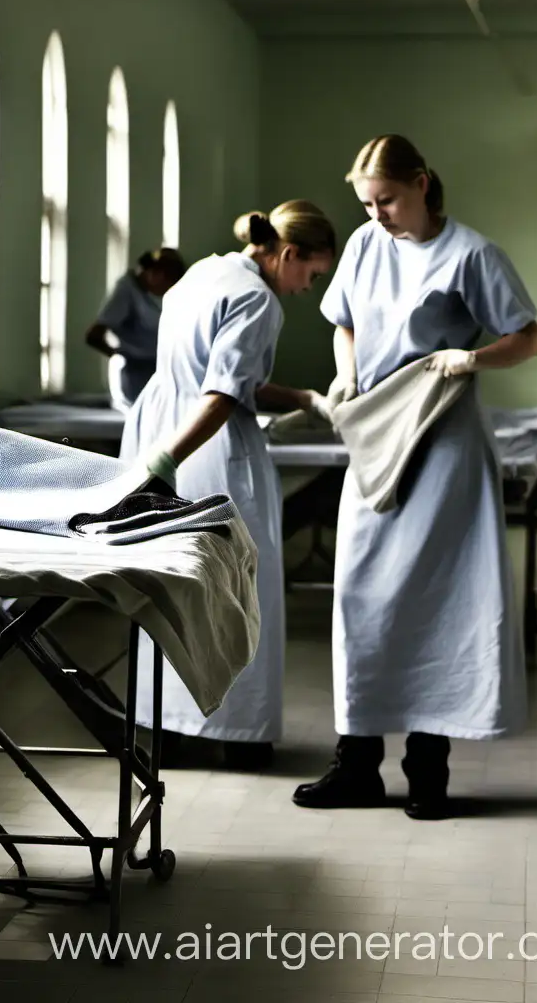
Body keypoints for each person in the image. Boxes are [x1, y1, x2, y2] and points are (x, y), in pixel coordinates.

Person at [293, 134, 537, 820]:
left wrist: (473, 359)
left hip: (441, 438)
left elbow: (527, 336)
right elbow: (342, 318)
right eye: (367, 204)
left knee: (435, 599)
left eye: (388, 201)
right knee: (360, 595)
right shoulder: (366, 246)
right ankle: (357, 765)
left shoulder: (471, 254)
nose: (376, 216)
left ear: (423, 185)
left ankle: (428, 769)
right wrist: (346, 374)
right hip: (378, 434)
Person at [120, 203, 336, 771]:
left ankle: (168, 728)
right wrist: (169, 459)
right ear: (287, 255)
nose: (305, 290)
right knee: (239, 590)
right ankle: (242, 733)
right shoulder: (258, 299)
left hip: (160, 428)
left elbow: (231, 378)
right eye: (311, 276)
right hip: (206, 451)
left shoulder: (204, 273)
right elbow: (222, 395)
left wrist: (305, 399)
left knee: (169, 588)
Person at [86, 247, 187, 410]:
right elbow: (94, 335)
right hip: (134, 373)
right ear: (156, 274)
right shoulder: (127, 290)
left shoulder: (156, 296)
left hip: (159, 369)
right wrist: (120, 356)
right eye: (169, 280)